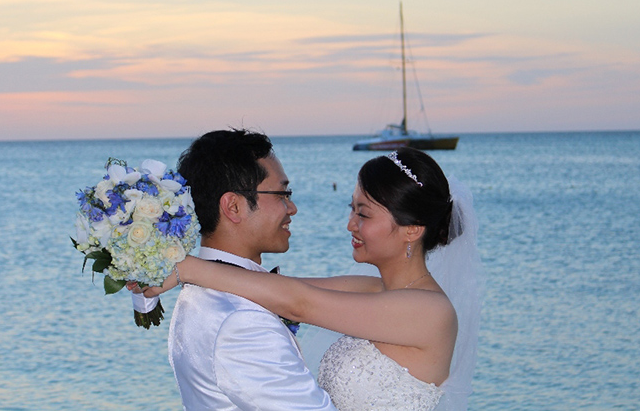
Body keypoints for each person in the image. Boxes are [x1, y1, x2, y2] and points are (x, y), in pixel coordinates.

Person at [144, 147, 483, 411]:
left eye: (363, 214)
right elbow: (265, 284)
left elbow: (298, 303)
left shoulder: (430, 313)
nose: (350, 224)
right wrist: (151, 257)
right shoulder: (373, 289)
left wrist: (183, 267)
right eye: (351, 209)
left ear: (412, 229)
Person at [145, 129, 337, 410]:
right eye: (282, 194)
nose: (292, 207)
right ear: (233, 206)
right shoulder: (241, 322)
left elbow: (363, 289)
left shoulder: (200, 291)